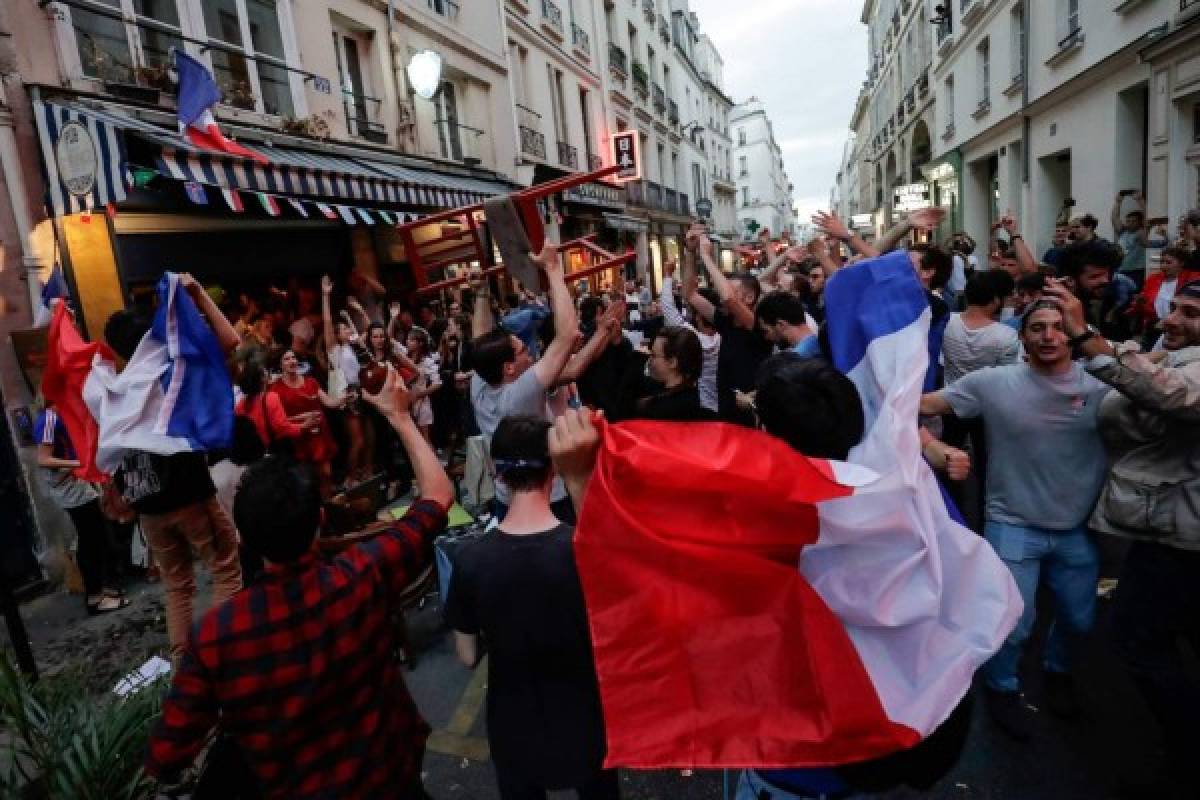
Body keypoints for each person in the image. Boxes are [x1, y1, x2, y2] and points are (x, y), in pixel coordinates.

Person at [146, 367, 453, 798]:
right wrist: (400, 418)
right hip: (390, 777)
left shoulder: (218, 634)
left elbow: (167, 754)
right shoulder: (361, 574)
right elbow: (437, 497)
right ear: (319, 520)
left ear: (244, 536)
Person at [920, 298, 1111, 740]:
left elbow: (1152, 386)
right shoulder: (992, 382)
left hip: (1078, 527)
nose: (1048, 336)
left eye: (1058, 328)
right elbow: (921, 404)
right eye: (1038, 328)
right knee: (1013, 624)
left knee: (1079, 620)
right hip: (1013, 523)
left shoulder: (1102, 386)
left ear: (1075, 334)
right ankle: (1002, 687)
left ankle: (1058, 670)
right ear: (1021, 338)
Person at [1045, 279, 1200, 798]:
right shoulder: (1174, 351)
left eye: (1192, 313)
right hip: (1170, 530)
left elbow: (1172, 393)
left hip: (1183, 539)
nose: (1171, 320)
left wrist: (1088, 338)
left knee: (1137, 640)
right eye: (1174, 307)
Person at [446, 415, 616, 800]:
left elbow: (467, 654)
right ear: (553, 467)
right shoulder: (582, 552)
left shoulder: (471, 559)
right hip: (585, 718)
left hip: (513, 723)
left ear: (496, 472)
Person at [103, 274, 243, 662]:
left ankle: (184, 666)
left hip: (149, 508)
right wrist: (197, 292)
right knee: (226, 569)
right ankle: (223, 656)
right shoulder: (170, 373)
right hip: (190, 495)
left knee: (177, 585)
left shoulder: (115, 389)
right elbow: (231, 342)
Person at [469, 244, 580, 522]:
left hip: (507, 497)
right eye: (521, 351)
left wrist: (481, 293)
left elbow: (479, 339)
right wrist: (553, 269)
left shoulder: (481, 383)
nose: (529, 352)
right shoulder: (519, 393)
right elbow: (567, 335)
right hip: (548, 498)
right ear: (508, 368)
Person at [34, 404, 125, 615]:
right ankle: (95, 596)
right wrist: (79, 463)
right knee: (92, 538)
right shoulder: (49, 418)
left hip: (75, 481)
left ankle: (101, 591)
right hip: (69, 486)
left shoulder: (62, 415)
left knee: (96, 537)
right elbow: (43, 459)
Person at [682, 223, 771, 426]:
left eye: (731, 288)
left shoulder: (758, 325)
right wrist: (690, 253)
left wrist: (706, 256)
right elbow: (689, 294)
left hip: (751, 417)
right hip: (726, 412)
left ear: (749, 298)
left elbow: (730, 299)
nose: (722, 294)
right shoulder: (726, 320)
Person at [267, 348, 342, 497]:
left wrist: (344, 398)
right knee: (308, 479)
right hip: (298, 437)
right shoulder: (275, 390)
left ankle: (329, 505)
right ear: (280, 364)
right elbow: (278, 421)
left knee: (326, 474)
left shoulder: (311, 381)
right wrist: (303, 418)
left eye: (293, 358)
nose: (292, 361)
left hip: (319, 433)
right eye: (287, 359)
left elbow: (329, 402)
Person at [660, 261, 721, 413]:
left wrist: (667, 276)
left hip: (701, 406)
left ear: (699, 316)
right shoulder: (725, 336)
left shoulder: (692, 337)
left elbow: (668, 308)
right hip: (723, 405)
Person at [941, 271, 1020, 386]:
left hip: (948, 398)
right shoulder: (1007, 335)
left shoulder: (946, 321)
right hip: (986, 400)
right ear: (996, 299)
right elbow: (1006, 378)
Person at [632, 327, 717, 422]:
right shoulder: (698, 398)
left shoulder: (664, 410)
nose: (649, 359)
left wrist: (637, 360)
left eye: (654, 355)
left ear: (673, 362)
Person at [1129, 246, 1200, 343]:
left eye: (1168, 262)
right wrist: (1139, 303)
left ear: (1181, 263)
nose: (1163, 266)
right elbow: (1144, 307)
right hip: (1154, 327)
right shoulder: (1152, 279)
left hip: (1180, 328)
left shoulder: (1192, 278)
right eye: (1161, 262)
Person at [405, 326, 441, 447]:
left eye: (411, 340)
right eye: (408, 339)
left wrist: (420, 394)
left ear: (420, 343)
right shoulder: (405, 358)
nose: (407, 342)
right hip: (406, 402)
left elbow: (437, 383)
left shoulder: (427, 361)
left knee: (425, 437)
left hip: (421, 402)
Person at [755, 290, 819, 358]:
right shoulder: (825, 343)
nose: (767, 337)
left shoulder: (796, 361)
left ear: (780, 325)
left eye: (766, 331)